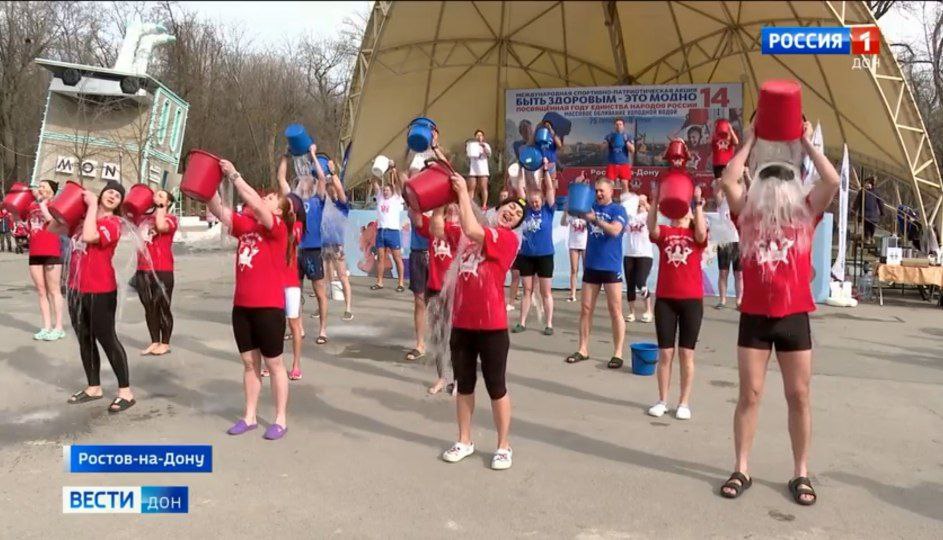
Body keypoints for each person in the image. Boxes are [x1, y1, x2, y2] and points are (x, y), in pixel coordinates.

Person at [717, 120, 840, 506]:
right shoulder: (746, 213)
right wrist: (751, 138)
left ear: (795, 180)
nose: (775, 180)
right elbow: (728, 179)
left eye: (783, 174)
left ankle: (800, 472)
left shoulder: (806, 211)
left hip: (794, 316)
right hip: (754, 316)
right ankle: (741, 467)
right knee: (749, 395)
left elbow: (832, 180)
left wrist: (804, 141)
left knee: (799, 395)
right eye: (768, 174)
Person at [440, 171, 524, 470]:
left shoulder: (506, 239)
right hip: (462, 323)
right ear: (497, 209)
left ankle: (503, 445)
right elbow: (439, 229)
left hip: (492, 327)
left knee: (496, 387)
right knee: (464, 385)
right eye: (509, 208)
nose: (511, 213)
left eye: (517, 215)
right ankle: (464, 440)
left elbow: (472, 228)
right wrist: (441, 202)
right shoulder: (468, 237)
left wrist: (464, 192)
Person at [209, 159, 291, 440]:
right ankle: (250, 416)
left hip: (268, 307)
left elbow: (255, 203)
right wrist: (207, 182)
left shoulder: (277, 229)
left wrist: (234, 175)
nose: (264, 199)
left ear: (278, 210)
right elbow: (217, 209)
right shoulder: (246, 227)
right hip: (242, 307)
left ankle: (280, 419)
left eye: (271, 199)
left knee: (274, 364)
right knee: (248, 363)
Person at [65, 181, 135, 413]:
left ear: (119, 203)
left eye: (118, 195)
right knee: (84, 338)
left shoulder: (113, 224)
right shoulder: (83, 218)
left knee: (107, 338)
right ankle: (93, 387)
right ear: (102, 192)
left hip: (101, 290)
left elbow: (89, 235)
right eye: (109, 191)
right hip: (76, 288)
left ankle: (125, 392)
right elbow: (54, 229)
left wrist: (93, 205)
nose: (113, 195)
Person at [646, 184, 707, 420]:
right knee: (665, 354)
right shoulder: (665, 232)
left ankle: (684, 402)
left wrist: (698, 203)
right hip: (666, 301)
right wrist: (654, 200)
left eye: (686, 209)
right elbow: (652, 228)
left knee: (686, 354)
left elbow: (701, 233)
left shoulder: (695, 236)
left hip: (691, 301)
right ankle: (662, 400)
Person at [566, 178, 628, 368]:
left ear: (611, 191)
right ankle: (583, 349)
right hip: (591, 265)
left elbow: (615, 231)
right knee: (585, 309)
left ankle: (618, 353)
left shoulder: (618, 210)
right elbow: (571, 209)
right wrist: (577, 187)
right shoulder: (589, 206)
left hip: (611, 266)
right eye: (596, 190)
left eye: (602, 190)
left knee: (615, 310)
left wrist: (595, 220)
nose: (599, 194)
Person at [279, 149, 330, 345]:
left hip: (314, 251)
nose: (304, 181)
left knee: (319, 292)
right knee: (294, 292)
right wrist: (285, 156)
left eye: (308, 179)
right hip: (295, 251)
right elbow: (281, 179)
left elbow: (323, 178)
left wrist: (313, 155)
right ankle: (297, 328)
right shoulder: (293, 200)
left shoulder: (318, 199)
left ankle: (323, 330)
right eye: (301, 179)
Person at [419, 203, 460, 394]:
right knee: (438, 336)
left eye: (455, 205)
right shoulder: (434, 227)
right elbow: (416, 218)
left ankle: (458, 380)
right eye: (449, 205)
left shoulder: (462, 230)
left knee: (456, 338)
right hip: (434, 289)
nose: (452, 208)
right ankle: (442, 378)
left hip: (455, 291)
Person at [513, 160, 556, 335]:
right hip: (527, 256)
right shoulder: (526, 211)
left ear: (542, 200)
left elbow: (550, 189)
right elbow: (519, 187)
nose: (534, 204)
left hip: (545, 255)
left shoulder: (548, 210)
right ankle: (522, 322)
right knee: (527, 290)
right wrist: (522, 168)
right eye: (532, 201)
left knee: (546, 292)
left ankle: (549, 324)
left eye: (537, 201)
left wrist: (546, 171)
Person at [135, 189, 178, 356]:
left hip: (162, 269)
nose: (156, 197)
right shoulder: (144, 219)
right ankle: (154, 341)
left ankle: (165, 343)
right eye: (155, 195)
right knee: (149, 307)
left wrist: (160, 208)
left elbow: (160, 226)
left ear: (168, 202)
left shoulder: (171, 219)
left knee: (162, 307)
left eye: (161, 196)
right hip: (142, 269)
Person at [26, 180, 66, 341]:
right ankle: (46, 327)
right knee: (41, 291)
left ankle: (59, 327)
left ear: (52, 191)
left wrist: (43, 204)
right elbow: (26, 223)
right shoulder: (31, 206)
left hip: (51, 250)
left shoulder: (56, 205)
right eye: (39, 186)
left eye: (44, 186)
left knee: (54, 290)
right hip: (35, 251)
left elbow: (51, 220)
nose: (40, 188)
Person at [321, 162, 354, 321]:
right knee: (323, 279)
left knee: (342, 276)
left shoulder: (342, 206)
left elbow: (340, 189)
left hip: (337, 246)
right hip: (323, 245)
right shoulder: (322, 206)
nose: (331, 191)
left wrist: (333, 173)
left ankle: (348, 308)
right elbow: (319, 189)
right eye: (328, 189)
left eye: (332, 189)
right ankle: (322, 307)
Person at [370, 168, 406, 292]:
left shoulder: (396, 198)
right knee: (380, 258)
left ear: (392, 191)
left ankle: (401, 283)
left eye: (387, 190)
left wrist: (394, 171)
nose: (385, 192)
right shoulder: (380, 197)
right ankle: (379, 282)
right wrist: (377, 170)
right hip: (381, 232)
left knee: (397, 258)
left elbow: (399, 184)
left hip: (393, 232)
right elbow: (374, 182)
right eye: (384, 190)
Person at [623, 194, 654, 323]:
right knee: (630, 283)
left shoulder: (647, 216)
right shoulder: (630, 217)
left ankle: (648, 311)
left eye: (641, 204)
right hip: (629, 254)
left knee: (641, 282)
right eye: (638, 204)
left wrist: (645, 204)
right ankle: (631, 312)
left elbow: (654, 214)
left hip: (644, 254)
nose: (639, 205)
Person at [406, 205, 430, 362]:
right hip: (418, 254)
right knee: (420, 302)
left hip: (438, 253)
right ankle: (420, 344)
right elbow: (417, 221)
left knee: (442, 303)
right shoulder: (415, 205)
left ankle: (445, 344)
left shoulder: (442, 204)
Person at [714, 181, 743, 309]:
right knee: (723, 272)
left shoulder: (740, 202)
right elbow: (716, 191)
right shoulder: (722, 201)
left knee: (739, 274)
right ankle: (722, 300)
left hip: (739, 241)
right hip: (724, 241)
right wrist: (723, 180)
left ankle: (739, 301)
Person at [561, 192, 587, 303]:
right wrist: (565, 212)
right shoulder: (571, 215)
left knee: (586, 270)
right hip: (573, 245)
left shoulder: (587, 215)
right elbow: (563, 223)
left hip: (585, 244)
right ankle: (572, 294)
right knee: (574, 269)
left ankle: (586, 293)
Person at [852, 177, 884, 245]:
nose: (867, 185)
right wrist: (853, 211)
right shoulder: (862, 192)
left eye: (868, 184)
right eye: (865, 184)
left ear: (871, 184)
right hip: (865, 214)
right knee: (866, 227)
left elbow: (880, 202)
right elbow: (857, 202)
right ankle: (868, 238)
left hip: (873, 214)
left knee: (872, 227)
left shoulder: (875, 192)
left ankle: (871, 237)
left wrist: (882, 212)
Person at [604, 118, 635, 182]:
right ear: (614, 126)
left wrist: (626, 141)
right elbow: (602, 148)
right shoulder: (609, 136)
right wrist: (608, 141)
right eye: (617, 124)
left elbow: (632, 150)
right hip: (612, 164)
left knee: (624, 183)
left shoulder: (628, 136)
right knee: (610, 184)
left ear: (623, 126)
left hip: (624, 164)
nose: (618, 126)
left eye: (620, 124)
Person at [467, 129, 492, 207]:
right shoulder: (472, 145)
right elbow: (469, 154)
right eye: (477, 135)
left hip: (483, 169)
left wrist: (483, 147)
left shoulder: (486, 145)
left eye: (481, 135)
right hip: (473, 169)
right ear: (475, 137)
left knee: (483, 187)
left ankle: (484, 205)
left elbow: (489, 154)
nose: (479, 136)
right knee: (471, 187)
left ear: (483, 137)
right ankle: (469, 204)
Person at [536, 120, 563, 187]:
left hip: (551, 163)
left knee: (552, 183)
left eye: (548, 125)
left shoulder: (553, 136)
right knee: (539, 184)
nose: (546, 126)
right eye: (544, 125)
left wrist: (552, 133)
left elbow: (560, 146)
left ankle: (552, 194)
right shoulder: (537, 135)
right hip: (540, 164)